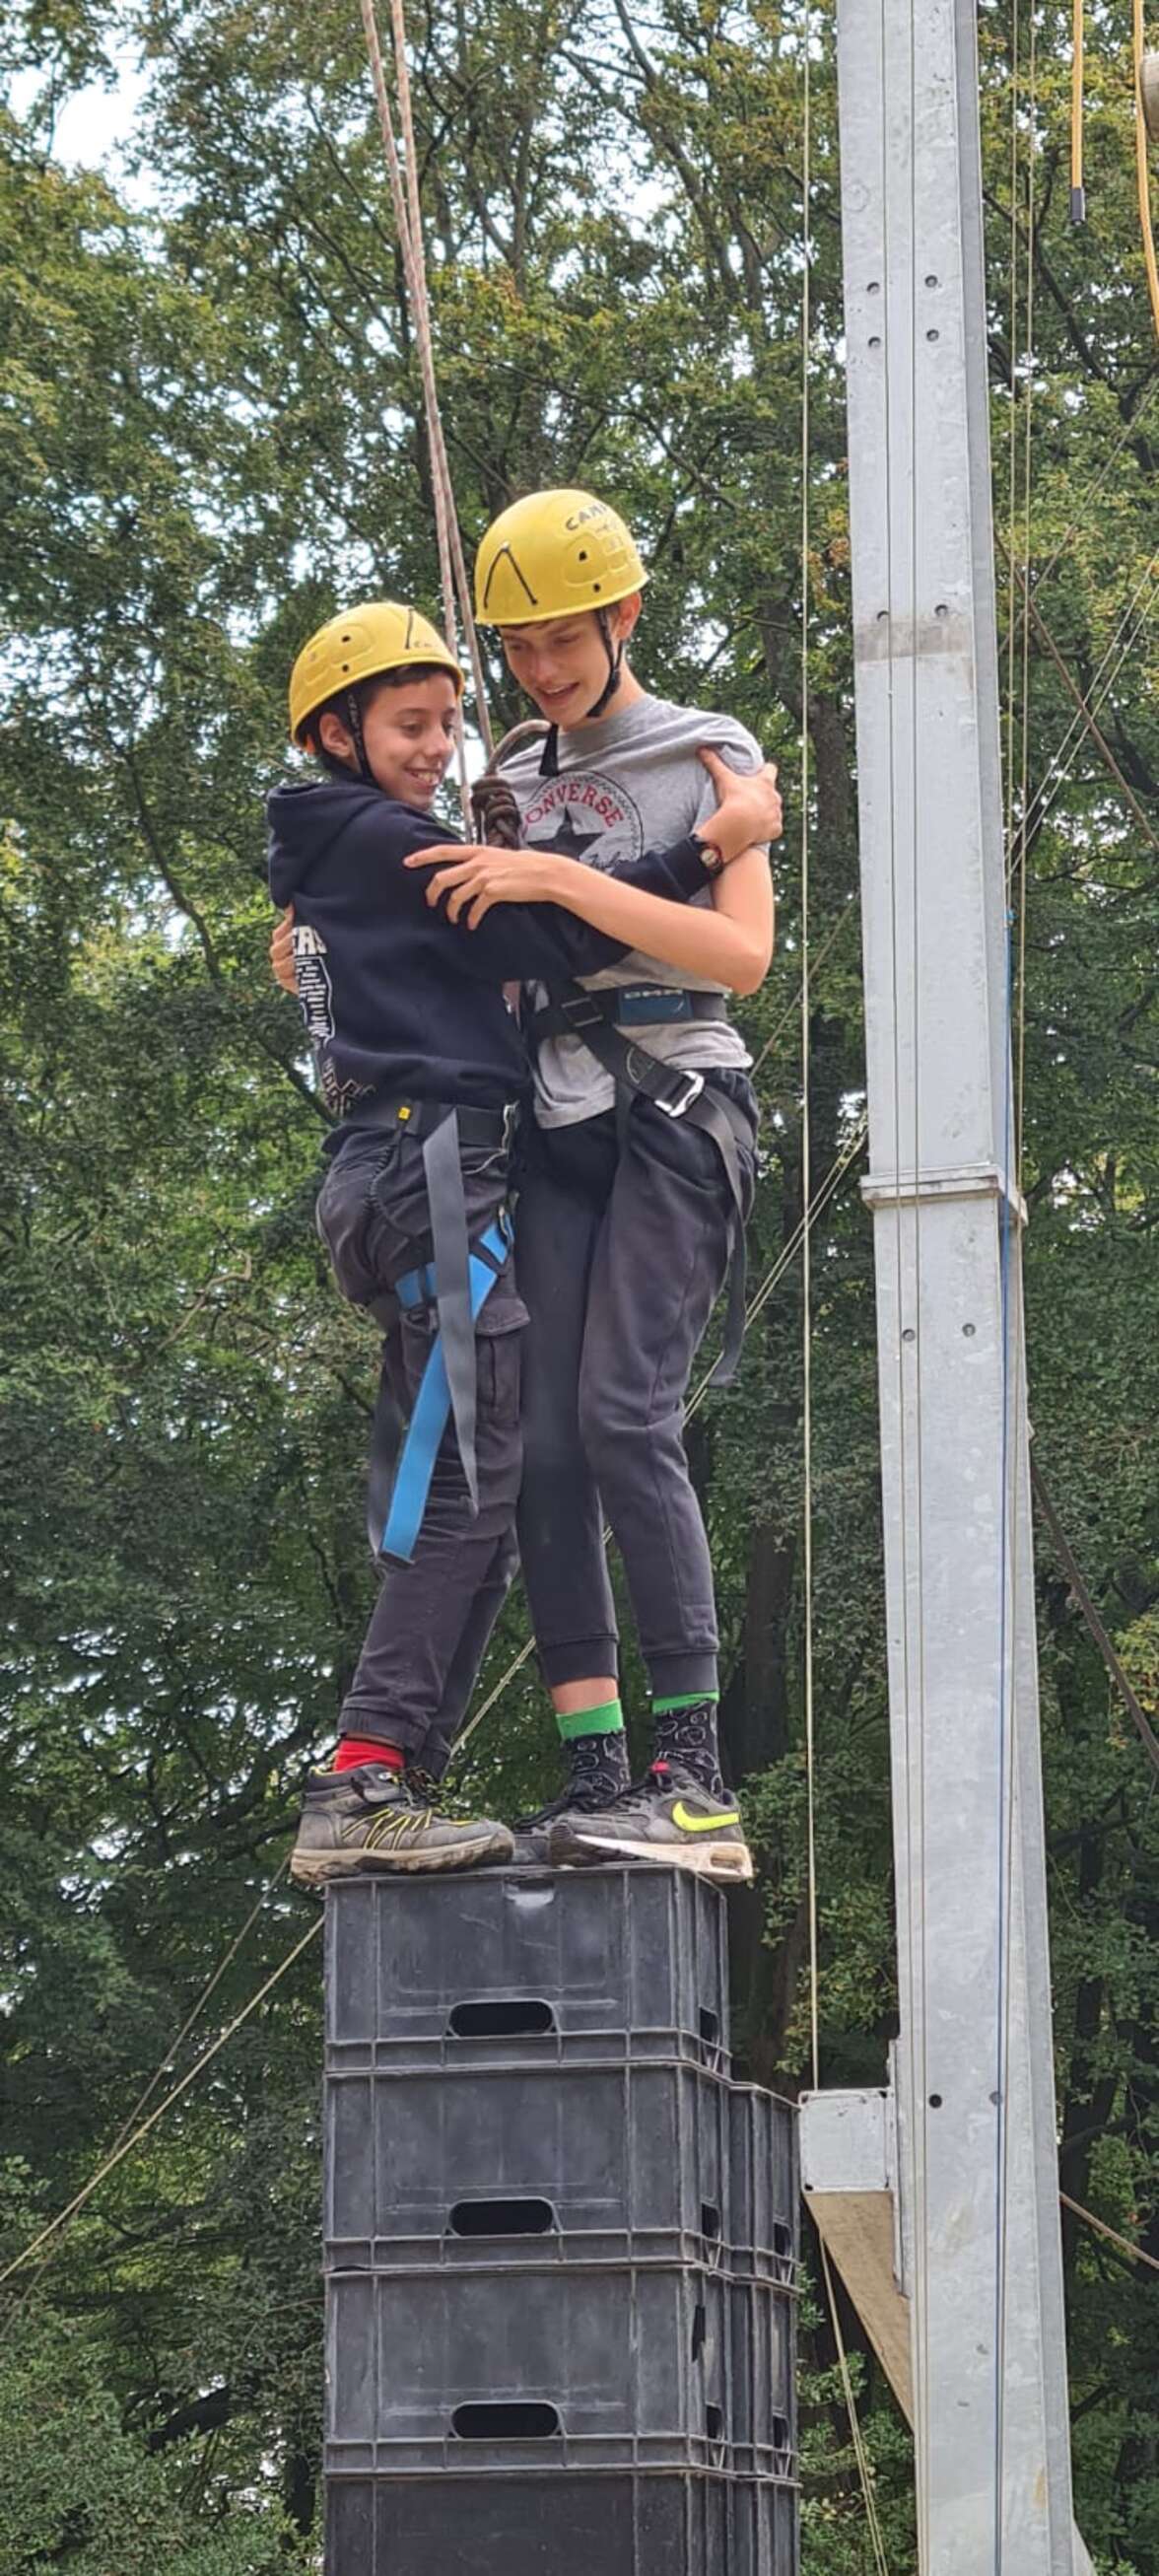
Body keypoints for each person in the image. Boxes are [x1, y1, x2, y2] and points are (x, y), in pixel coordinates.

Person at [268, 598, 781, 1885]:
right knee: (479, 1468)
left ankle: (451, 1770)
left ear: (621, 620)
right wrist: (697, 847)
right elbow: (545, 944)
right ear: (337, 731)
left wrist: (685, 843)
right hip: (433, 1159)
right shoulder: (392, 838)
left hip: (481, 1150)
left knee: (499, 1457)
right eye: (410, 722)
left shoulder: (375, 840)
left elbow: (734, 952)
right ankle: (378, 1775)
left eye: (448, 720)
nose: (443, 743)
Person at [407, 487, 778, 1882]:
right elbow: (478, 929)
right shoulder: (506, 769)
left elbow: (737, 956)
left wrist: (557, 886)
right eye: (519, 648)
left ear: (624, 616)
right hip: (552, 1112)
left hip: (678, 1090)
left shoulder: (709, 753)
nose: (543, 669)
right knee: (538, 1446)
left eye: (564, 638)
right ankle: (597, 1772)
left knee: (626, 1411)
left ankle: (693, 1777)